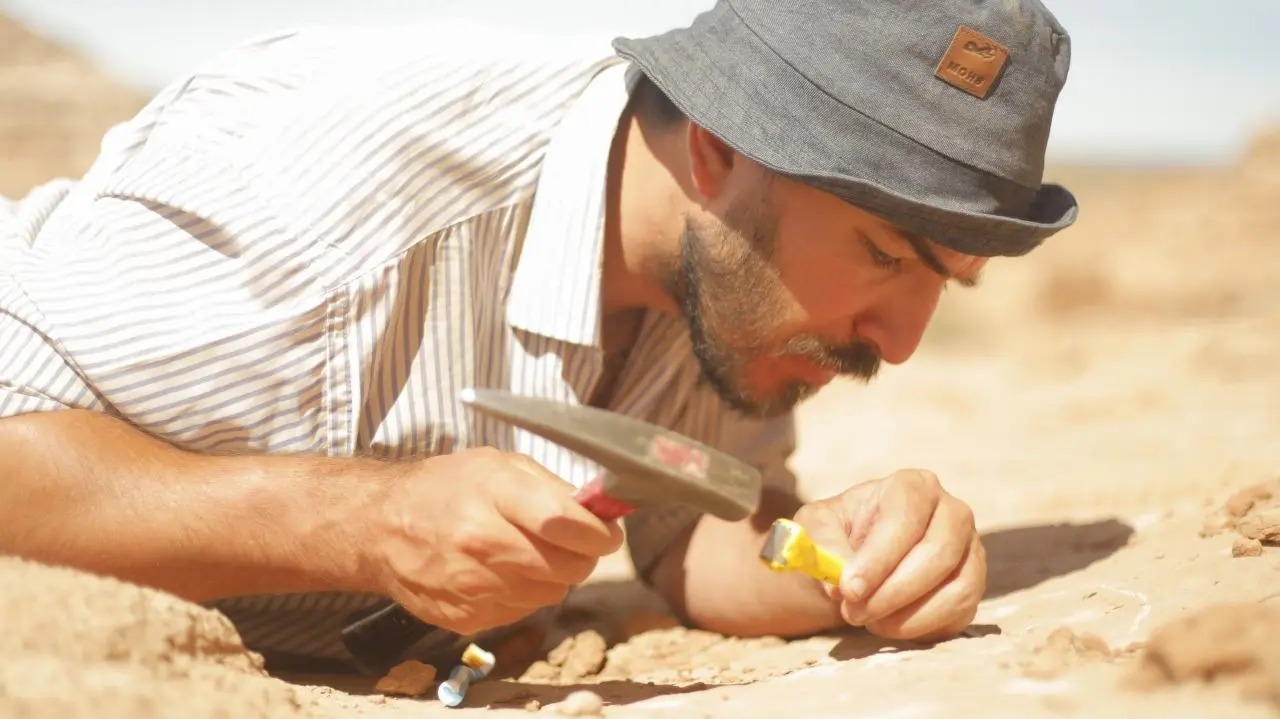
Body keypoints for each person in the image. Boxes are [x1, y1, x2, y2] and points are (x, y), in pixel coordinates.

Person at [0, 0, 1077, 673]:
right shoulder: (315, 184)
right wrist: (360, 523)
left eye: (947, 282)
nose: (897, 346)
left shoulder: (727, 286)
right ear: (713, 151)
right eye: (888, 256)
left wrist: (839, 557)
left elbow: (683, 532)